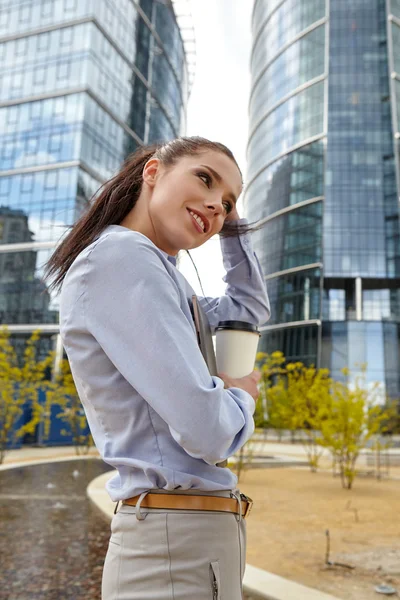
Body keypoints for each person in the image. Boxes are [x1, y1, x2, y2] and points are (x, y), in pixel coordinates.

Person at [45, 136, 270, 599]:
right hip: (174, 540)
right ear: (153, 172)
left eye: (227, 202)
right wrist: (241, 394)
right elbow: (208, 431)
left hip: (185, 535)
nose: (216, 204)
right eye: (204, 179)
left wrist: (228, 221)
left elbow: (245, 310)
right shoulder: (122, 258)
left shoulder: (163, 278)